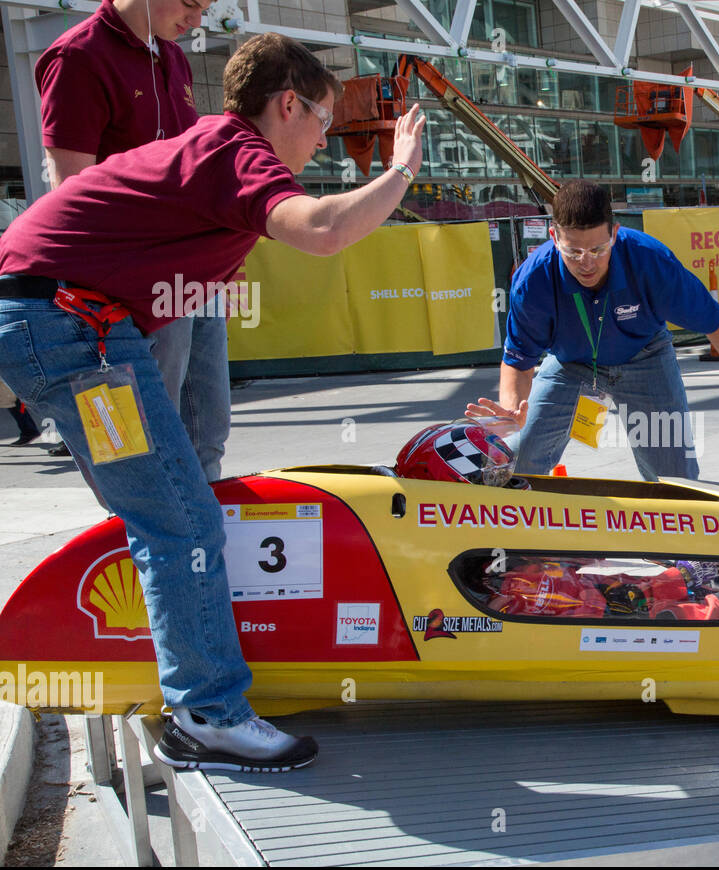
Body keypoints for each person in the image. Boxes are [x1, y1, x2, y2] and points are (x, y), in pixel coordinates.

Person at [0, 32, 427, 771]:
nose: (323, 143)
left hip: (57, 318)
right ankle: (209, 713)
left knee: (162, 506)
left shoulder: (211, 146)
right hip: (75, 326)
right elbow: (324, 232)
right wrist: (400, 171)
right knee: (179, 516)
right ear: (286, 102)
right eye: (322, 121)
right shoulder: (237, 153)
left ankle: (181, 675)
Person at [467, 180, 719, 480]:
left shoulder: (650, 262)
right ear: (553, 236)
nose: (586, 262)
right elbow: (517, 359)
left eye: (598, 249)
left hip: (644, 358)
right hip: (570, 364)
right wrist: (512, 410)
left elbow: (717, 325)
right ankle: (510, 546)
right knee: (517, 456)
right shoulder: (533, 281)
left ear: (615, 234)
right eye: (573, 251)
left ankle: (687, 555)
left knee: (676, 481)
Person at [37, 0, 229, 479]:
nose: (197, 20)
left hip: (191, 270)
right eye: (190, 3)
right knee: (141, 440)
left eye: (205, 7)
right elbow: (71, 189)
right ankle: (142, 536)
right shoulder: (79, 56)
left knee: (207, 427)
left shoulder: (171, 56)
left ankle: (210, 536)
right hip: (132, 281)